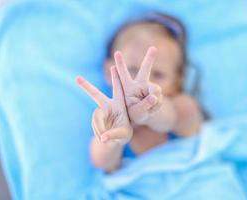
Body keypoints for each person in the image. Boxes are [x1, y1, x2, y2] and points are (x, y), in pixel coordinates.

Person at [76, 13, 202, 172]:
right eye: (132, 70)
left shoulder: (183, 107)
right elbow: (101, 163)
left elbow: (173, 117)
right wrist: (112, 138)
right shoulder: (110, 119)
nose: (141, 84)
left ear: (177, 81)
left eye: (158, 74)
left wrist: (151, 111)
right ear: (109, 73)